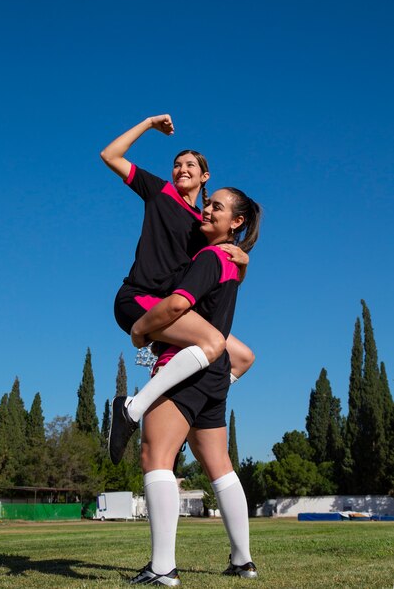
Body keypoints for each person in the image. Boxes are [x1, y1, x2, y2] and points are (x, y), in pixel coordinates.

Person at [100, 116, 255, 465]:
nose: (181, 168)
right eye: (176, 164)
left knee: (243, 356)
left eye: (190, 165)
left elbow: (223, 282)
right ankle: (131, 408)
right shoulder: (161, 193)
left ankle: (188, 409)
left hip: (175, 311)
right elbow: (110, 155)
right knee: (211, 343)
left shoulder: (207, 226)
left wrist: (243, 265)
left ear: (205, 177)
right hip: (139, 301)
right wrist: (149, 124)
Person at [126, 186, 261, 585]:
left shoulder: (208, 256)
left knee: (156, 456)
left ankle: (163, 568)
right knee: (220, 468)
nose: (206, 209)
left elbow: (177, 304)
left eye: (216, 206)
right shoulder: (233, 261)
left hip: (184, 370)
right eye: (206, 203)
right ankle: (242, 561)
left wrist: (139, 329)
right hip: (217, 377)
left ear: (236, 222)